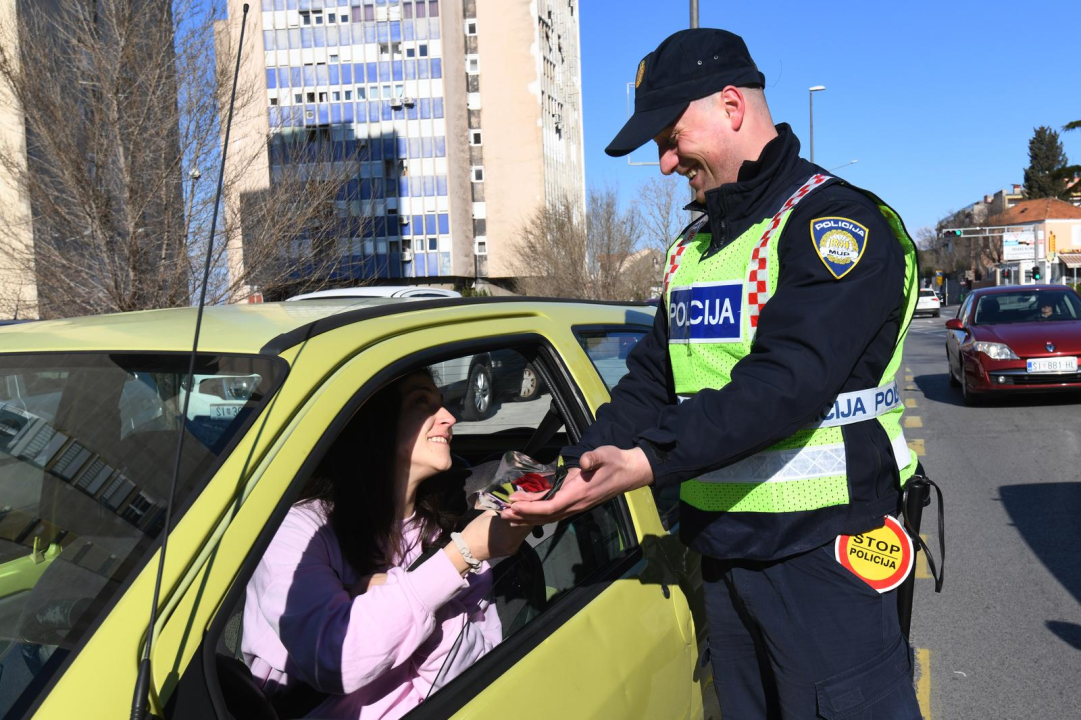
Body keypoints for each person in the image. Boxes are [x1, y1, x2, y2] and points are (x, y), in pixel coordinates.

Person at [504, 28, 923, 719]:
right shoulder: (695, 249)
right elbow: (649, 382)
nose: (664, 163)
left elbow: (786, 383)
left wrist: (649, 459)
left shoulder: (834, 225)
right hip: (722, 557)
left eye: (670, 137)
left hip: (822, 558)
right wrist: (573, 470)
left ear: (731, 105)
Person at [243, 369, 531, 719]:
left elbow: (475, 670)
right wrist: (453, 563)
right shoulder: (299, 530)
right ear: (373, 422)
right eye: (421, 402)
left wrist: (385, 590)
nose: (449, 417)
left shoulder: (449, 531)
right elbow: (339, 659)